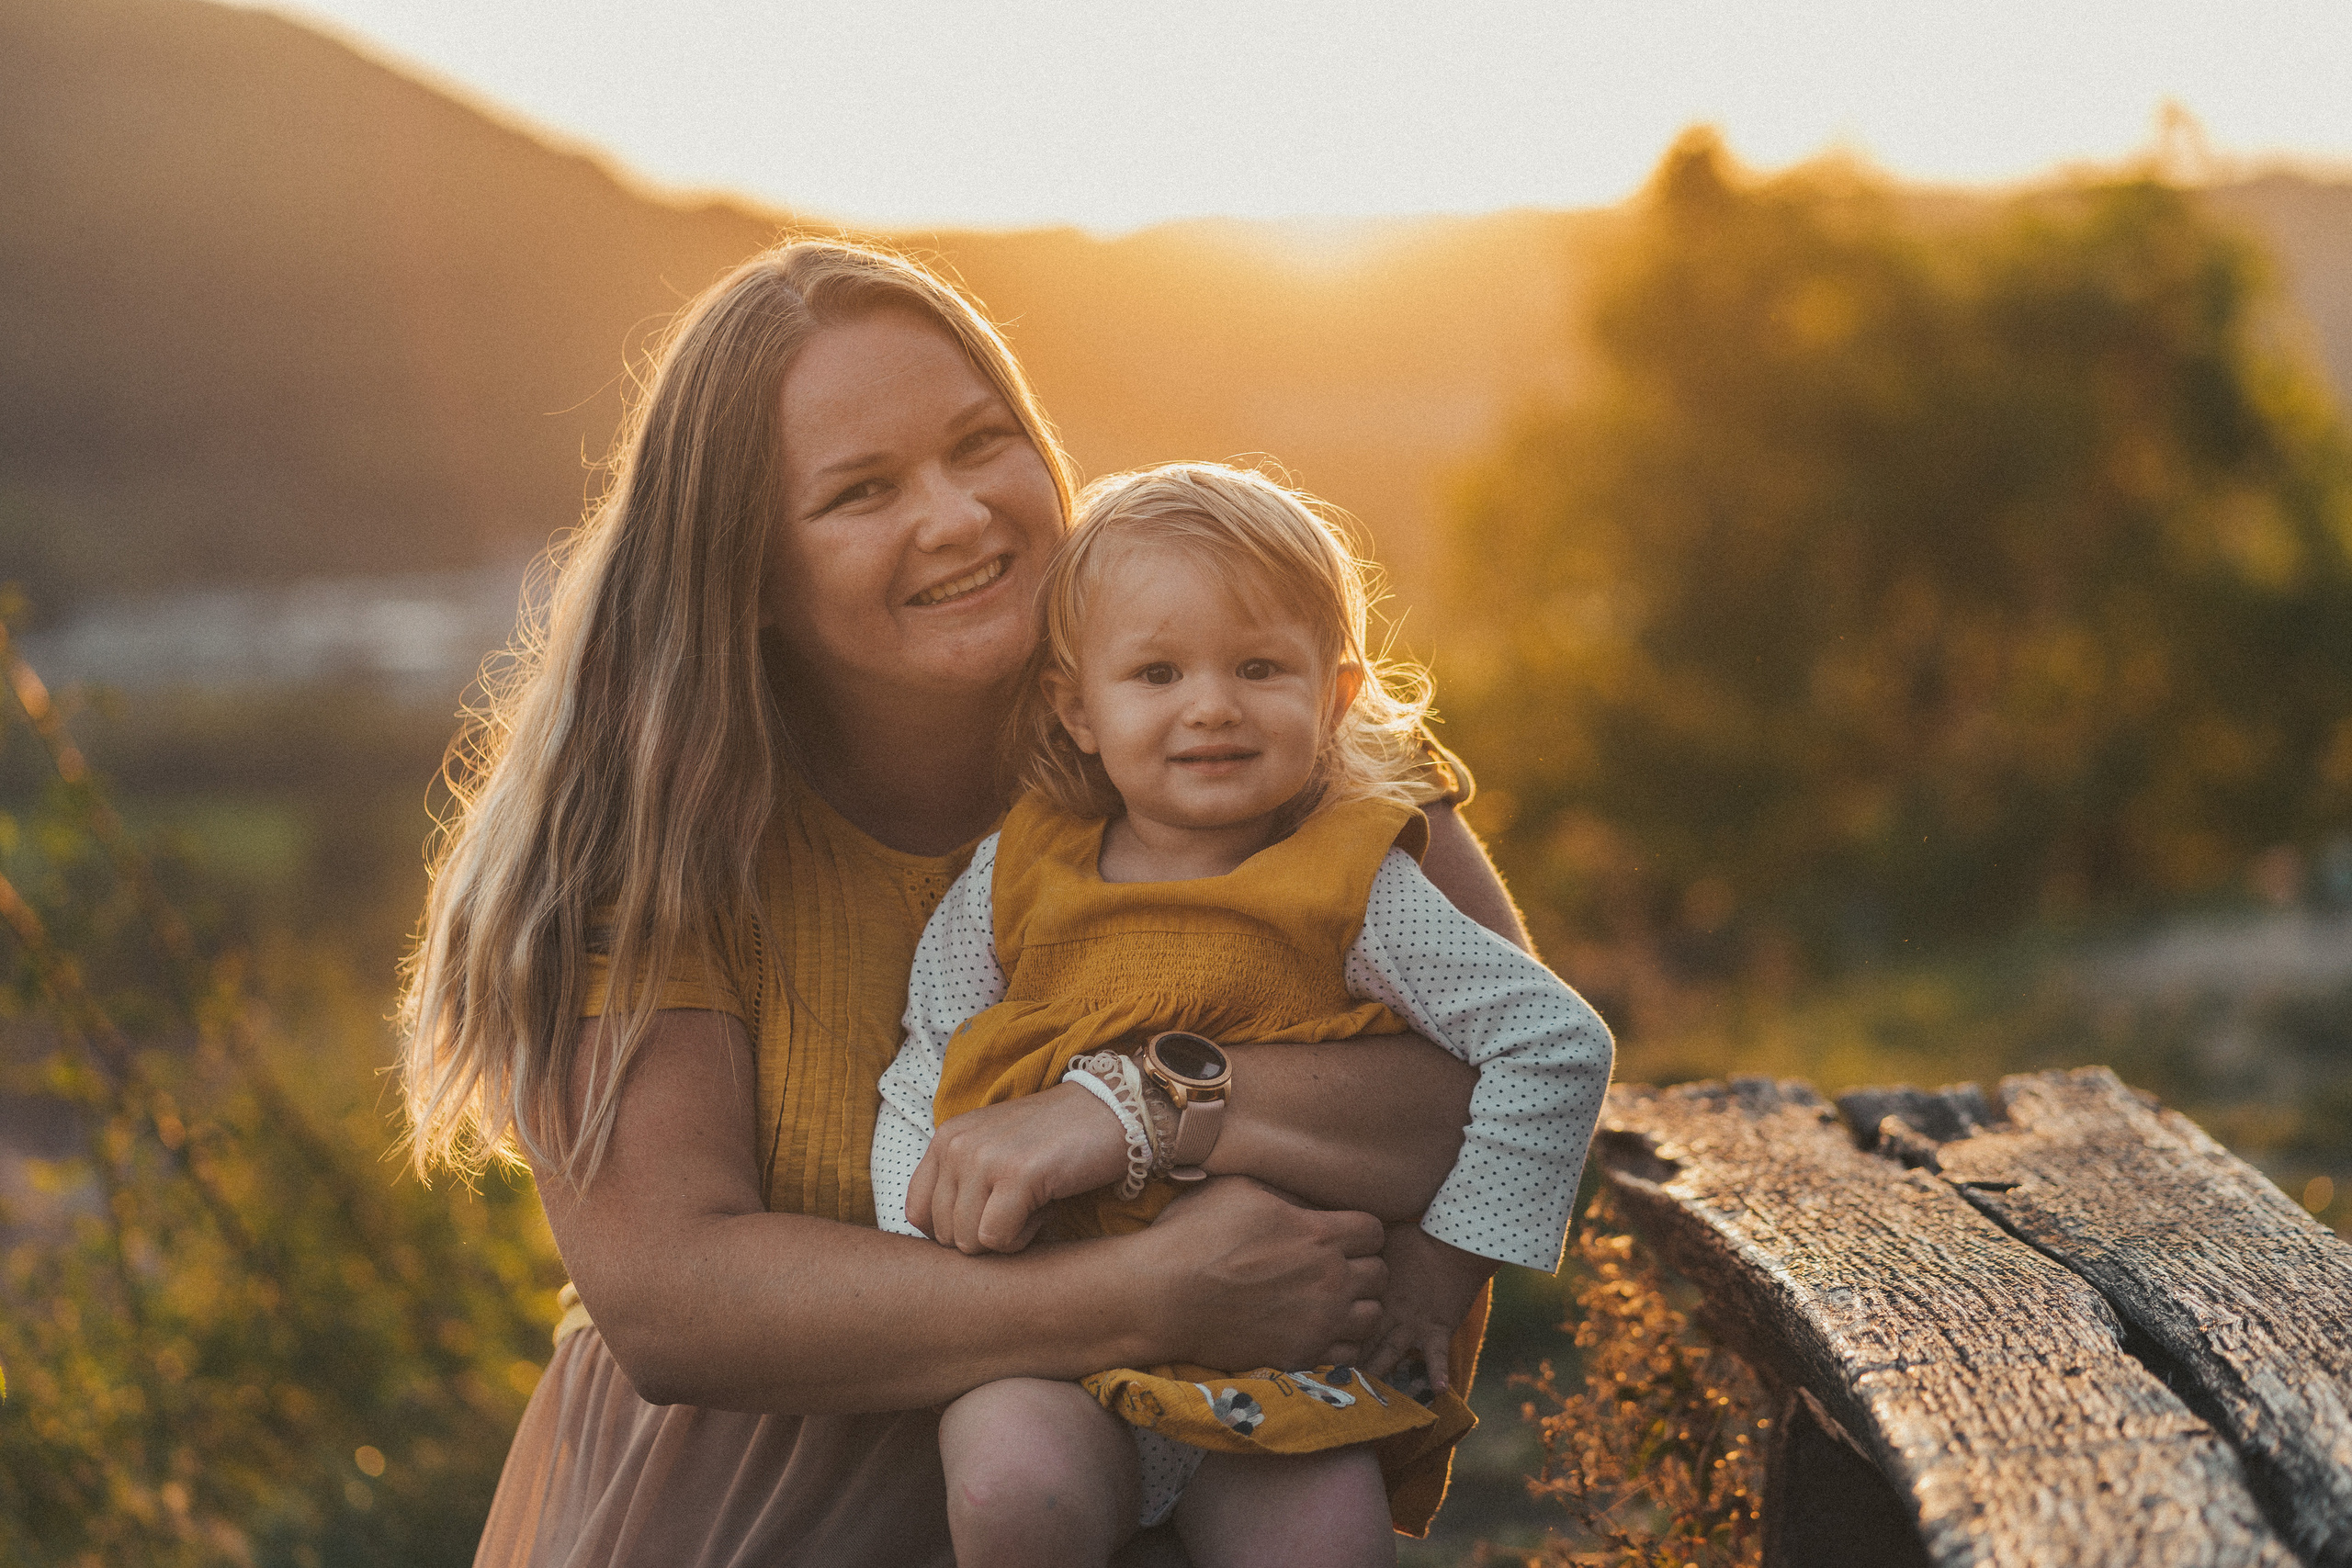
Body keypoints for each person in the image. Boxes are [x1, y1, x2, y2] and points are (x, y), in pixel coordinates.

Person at [400, 239, 1542, 1567]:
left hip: (1212, 1484)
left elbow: (1502, 1087)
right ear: (751, 574)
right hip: (756, 1518)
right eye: (861, 491)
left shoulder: (1239, 712)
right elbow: (673, 1299)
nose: (953, 516)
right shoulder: (650, 830)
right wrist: (1145, 1289)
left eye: (980, 442)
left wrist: (1137, 1110)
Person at [871, 464, 1611, 1568]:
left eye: (1259, 668)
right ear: (1079, 707)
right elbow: (926, 1063)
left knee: (1324, 1543)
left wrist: (1442, 1272)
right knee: (1012, 1494)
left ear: (1335, 697)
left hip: (1281, 1367)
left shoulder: (1354, 888)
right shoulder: (1016, 873)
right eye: (1157, 672)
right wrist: (932, 1239)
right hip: (1051, 1341)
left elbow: (1554, 1047)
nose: (1210, 705)